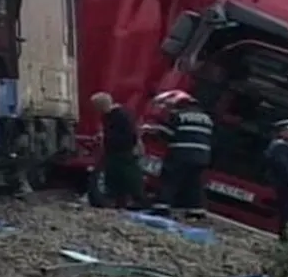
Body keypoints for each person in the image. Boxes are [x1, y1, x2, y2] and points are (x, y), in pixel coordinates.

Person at [149, 90, 214, 221]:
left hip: (181, 154)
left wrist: (154, 130)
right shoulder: (207, 118)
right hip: (202, 156)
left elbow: (169, 133)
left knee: (170, 180)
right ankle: (197, 210)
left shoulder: (179, 115)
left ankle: (161, 207)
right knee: (194, 182)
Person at [91, 92, 144, 209]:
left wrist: (111, 139)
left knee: (128, 176)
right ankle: (119, 201)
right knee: (114, 177)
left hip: (124, 150)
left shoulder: (121, 115)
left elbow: (131, 134)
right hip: (112, 151)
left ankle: (137, 200)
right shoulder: (107, 117)